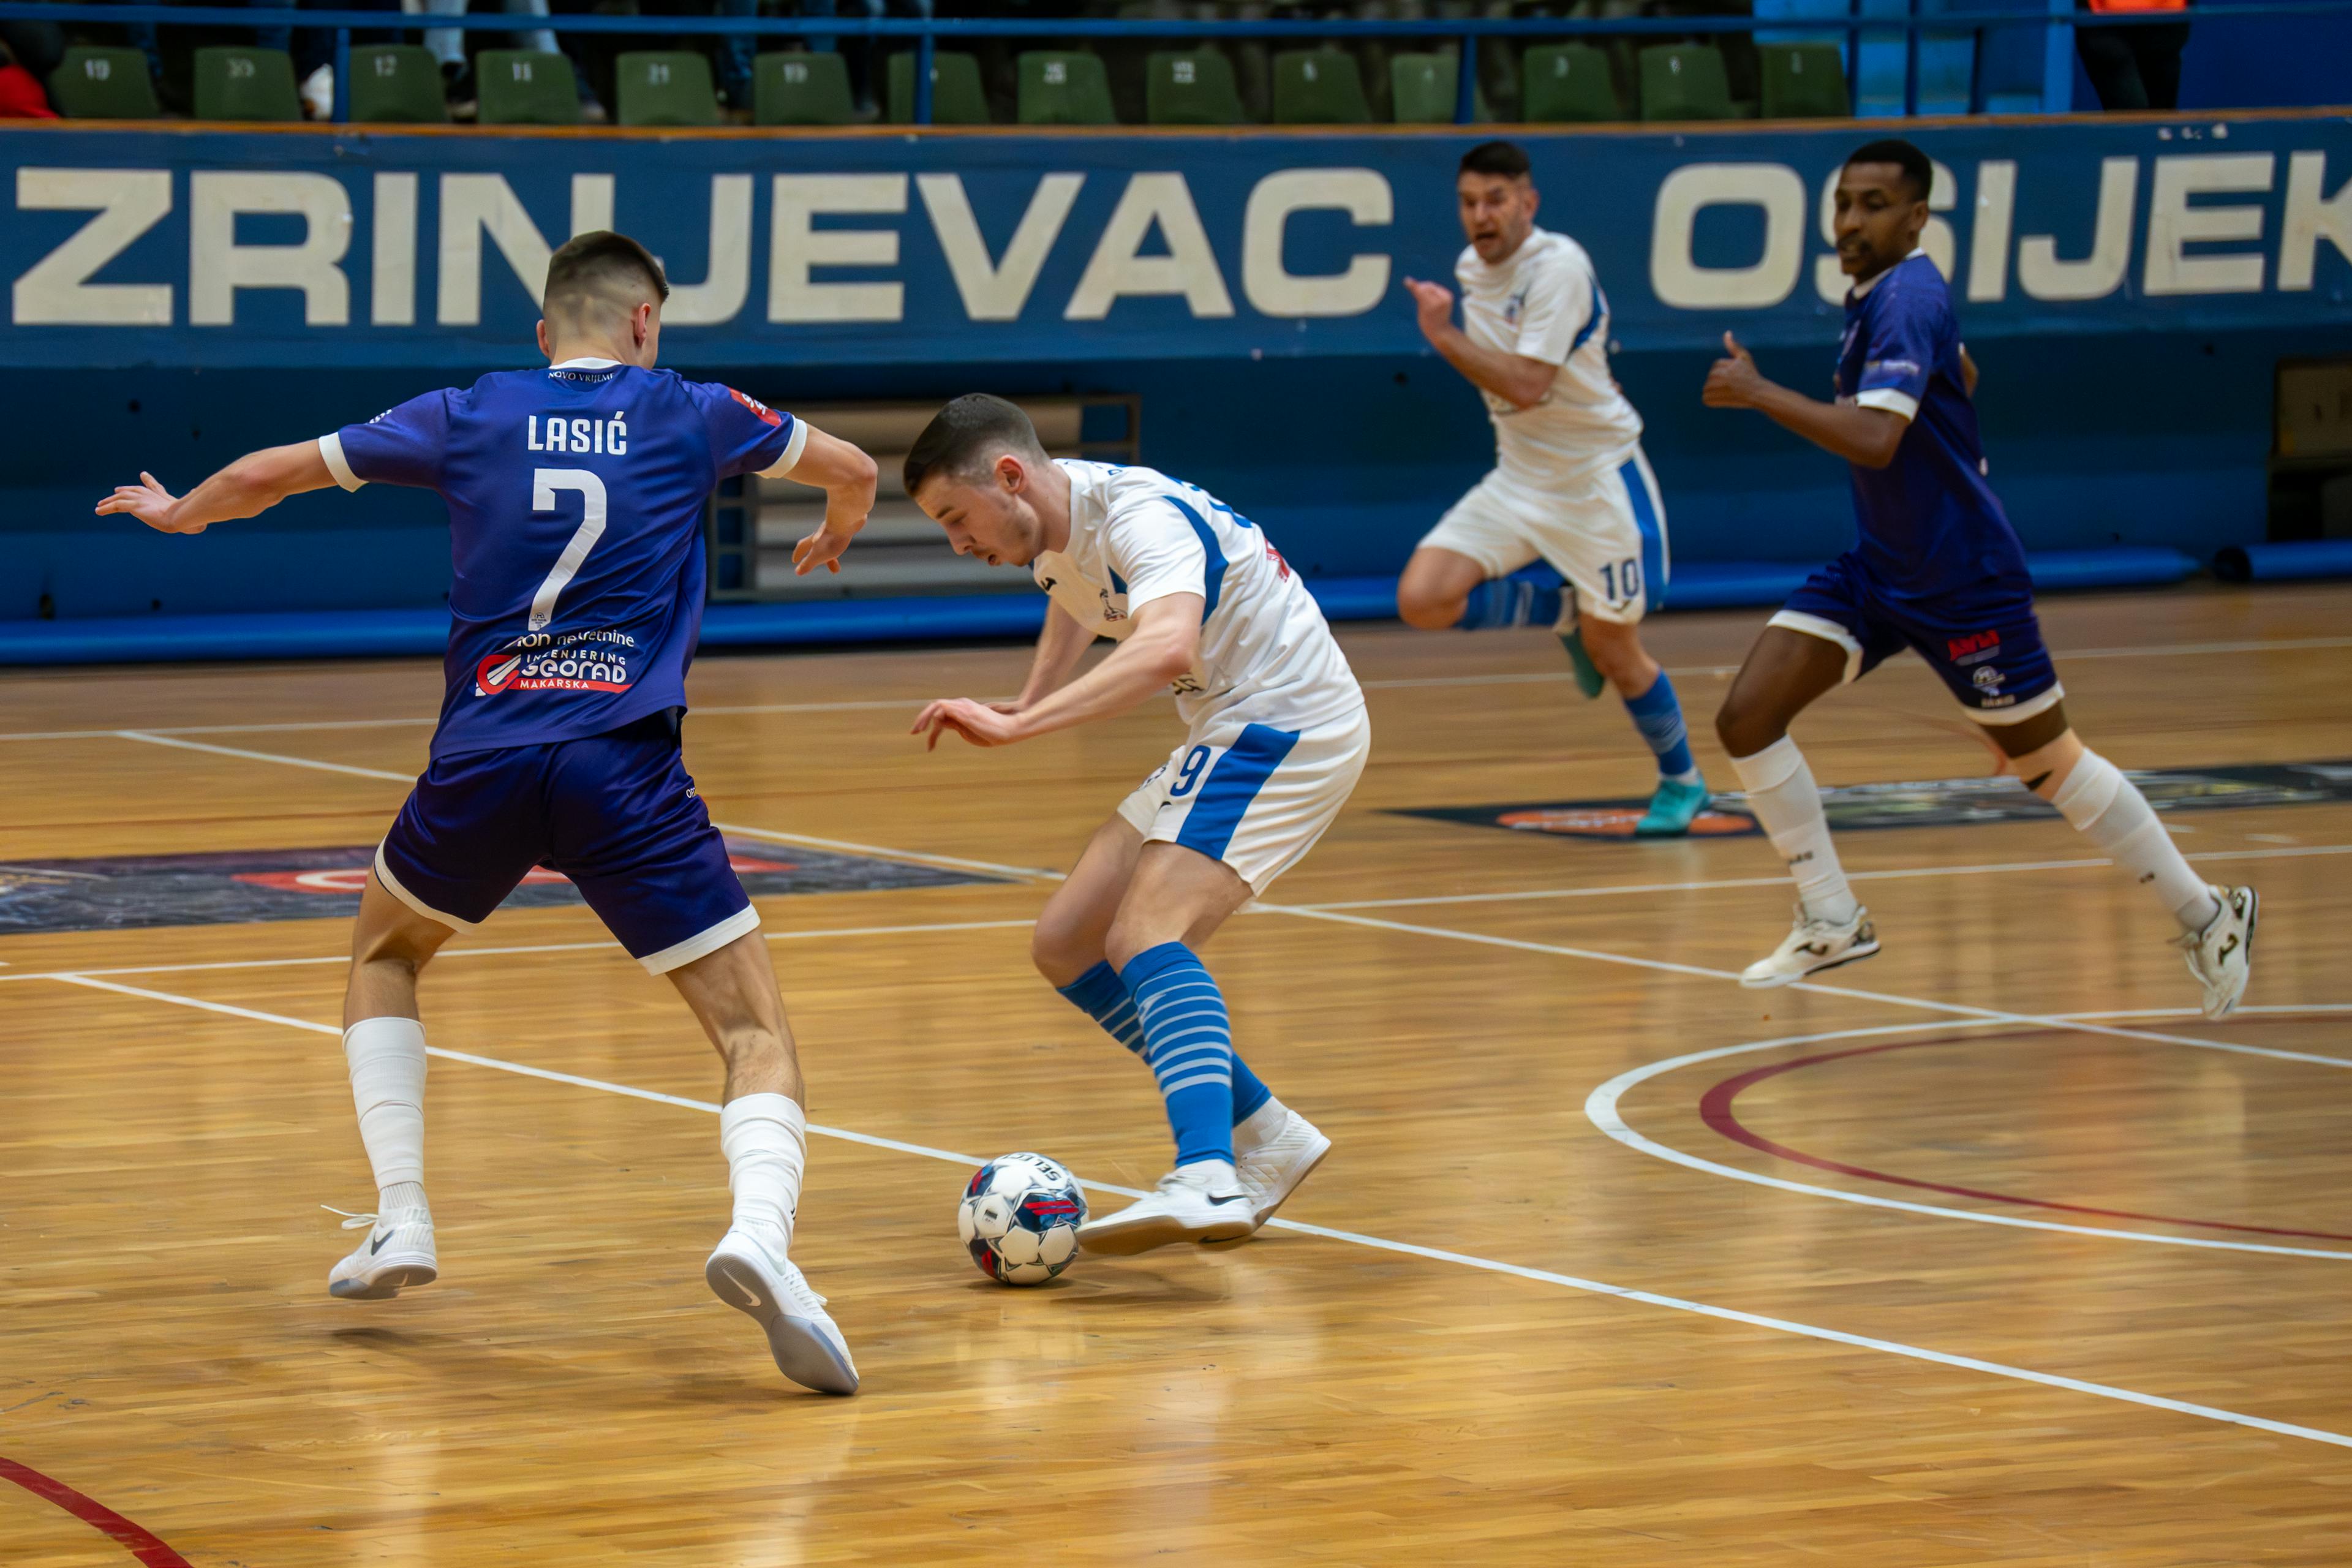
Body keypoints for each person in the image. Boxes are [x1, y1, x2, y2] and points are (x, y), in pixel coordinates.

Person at [94, 231, 878, 1392]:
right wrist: (838, 527)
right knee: (753, 1033)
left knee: (387, 952)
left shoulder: (469, 411)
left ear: (545, 327)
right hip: (625, 766)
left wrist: (181, 516)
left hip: (485, 758)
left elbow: (271, 474)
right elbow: (854, 466)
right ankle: (760, 1237)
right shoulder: (696, 410)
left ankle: (401, 1214)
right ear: (645, 325)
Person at [1700, 138, 2255, 1016]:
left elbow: (1878, 438)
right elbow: (1961, 374)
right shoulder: (1887, 297)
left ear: (1917, 216)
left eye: (1874, 204)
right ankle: (1831, 917)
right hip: (1884, 568)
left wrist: (1760, 393)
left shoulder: (1909, 295)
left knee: (2050, 768)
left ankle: (2210, 912)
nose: (1850, 221)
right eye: (1844, 203)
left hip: (1964, 581)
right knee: (1747, 715)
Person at [903, 395, 1360, 1255]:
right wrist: (1033, 694)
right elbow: (1079, 598)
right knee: (1069, 940)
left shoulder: (1145, 518)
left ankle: (1208, 1173)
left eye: (958, 520)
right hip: (1226, 727)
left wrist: (1018, 728)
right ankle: (1270, 1135)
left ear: (1010, 477)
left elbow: (1165, 650)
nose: (959, 544)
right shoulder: (1055, 526)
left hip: (1287, 724)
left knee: (1148, 934)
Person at [1400, 140, 1708, 839]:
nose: (1482, 216)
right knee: (1423, 599)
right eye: (1469, 202)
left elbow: (1527, 386)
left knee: (1617, 652)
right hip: (1519, 476)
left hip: (1596, 479)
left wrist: (1441, 335)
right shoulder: (1468, 270)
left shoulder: (1559, 267)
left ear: (1528, 203)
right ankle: (1561, 612)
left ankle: (1683, 780)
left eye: (1497, 200)